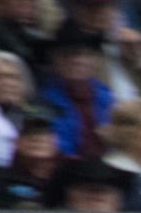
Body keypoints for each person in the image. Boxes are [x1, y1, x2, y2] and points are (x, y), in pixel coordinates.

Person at [61, 0, 141, 103]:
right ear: (77, 7)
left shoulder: (123, 40)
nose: (99, 12)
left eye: (105, 4)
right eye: (91, 5)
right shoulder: (69, 44)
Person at [37, 21, 114, 158]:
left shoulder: (108, 98)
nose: (77, 60)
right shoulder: (43, 102)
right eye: (68, 54)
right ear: (55, 60)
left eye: (85, 54)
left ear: (95, 60)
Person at [0, 108, 56, 203]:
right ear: (17, 143)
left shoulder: (65, 174)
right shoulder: (3, 177)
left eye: (45, 133)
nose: (38, 138)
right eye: (29, 133)